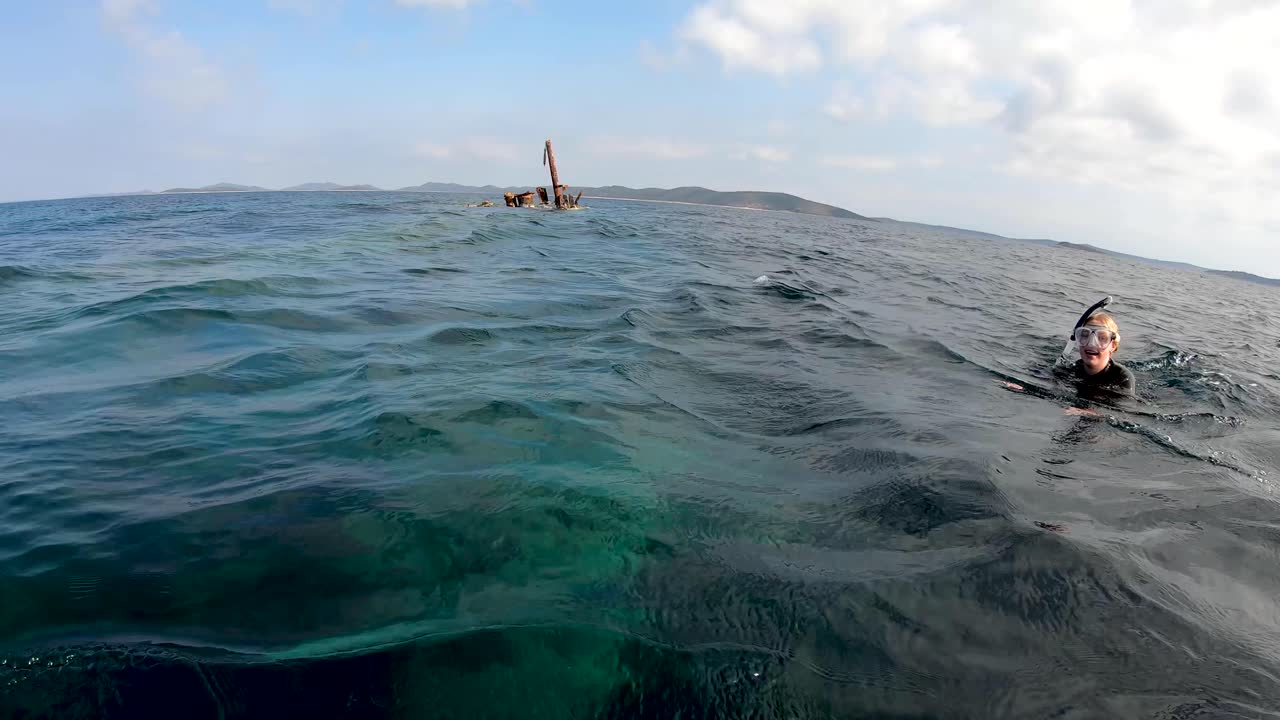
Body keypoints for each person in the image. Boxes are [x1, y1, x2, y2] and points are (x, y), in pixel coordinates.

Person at [1064, 310, 1135, 400]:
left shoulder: (1122, 378)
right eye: (1085, 335)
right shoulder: (1072, 370)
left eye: (1102, 338)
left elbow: (1125, 409)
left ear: (1113, 346)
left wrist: (1091, 412)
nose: (1091, 344)